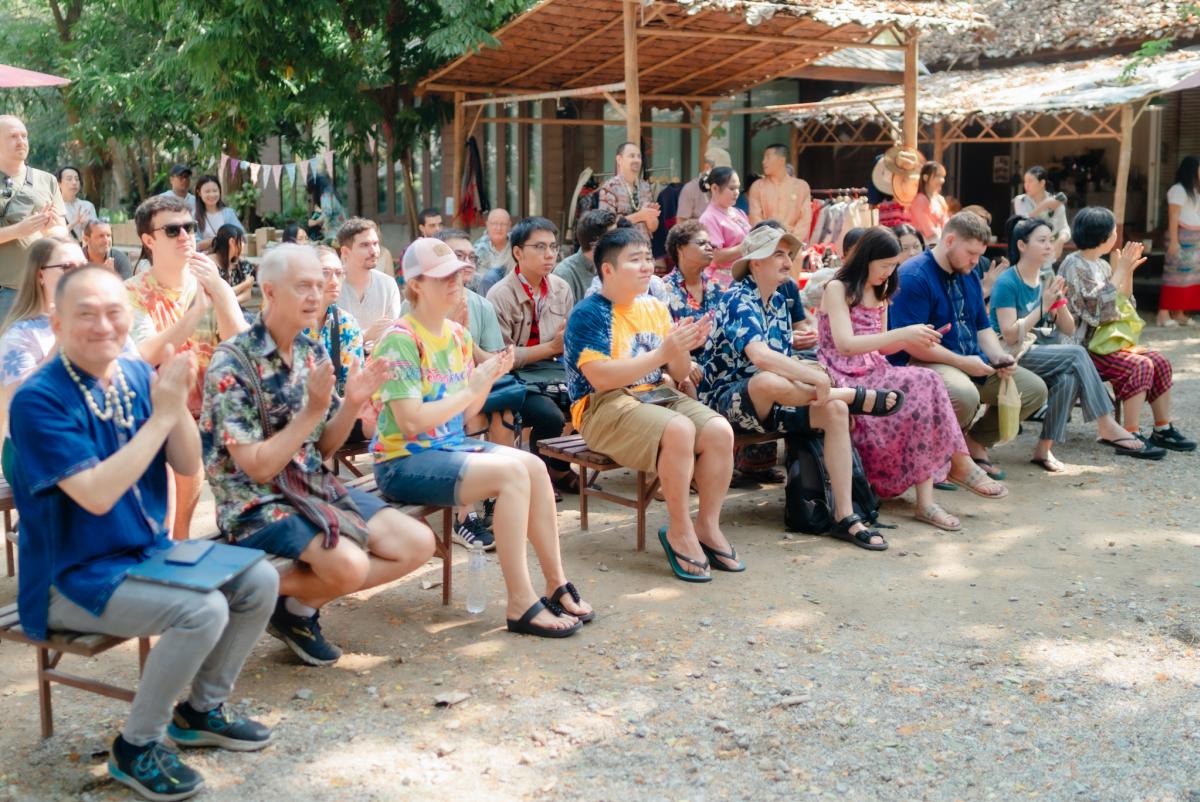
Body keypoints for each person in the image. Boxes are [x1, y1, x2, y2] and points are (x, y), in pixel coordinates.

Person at [10, 266, 277, 801]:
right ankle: (136, 746)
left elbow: (186, 462)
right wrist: (161, 416)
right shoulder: (38, 399)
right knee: (203, 610)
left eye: (114, 312)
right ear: (58, 323)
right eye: (86, 314)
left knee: (260, 580)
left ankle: (200, 711)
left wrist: (174, 407)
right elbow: (96, 495)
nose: (103, 325)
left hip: (144, 554)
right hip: (69, 580)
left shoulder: (133, 374)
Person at [203, 244, 434, 665]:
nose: (316, 294)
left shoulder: (311, 353)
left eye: (319, 284)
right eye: (303, 286)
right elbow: (258, 469)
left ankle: (293, 607)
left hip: (311, 485)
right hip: (255, 502)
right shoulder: (232, 363)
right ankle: (247, 590)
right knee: (349, 565)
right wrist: (311, 412)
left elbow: (323, 448)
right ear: (269, 292)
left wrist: (351, 404)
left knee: (418, 543)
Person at [373, 238, 592, 636]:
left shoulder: (457, 336)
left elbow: (465, 414)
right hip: (403, 461)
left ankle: (555, 582)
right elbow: (410, 423)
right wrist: (473, 386)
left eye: (457, 274)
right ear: (416, 284)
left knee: (533, 466)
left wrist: (485, 379)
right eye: (443, 277)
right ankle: (520, 602)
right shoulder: (400, 339)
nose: (455, 282)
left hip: (448, 447)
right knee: (512, 474)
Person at [701, 226, 903, 549]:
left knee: (834, 411)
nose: (787, 261)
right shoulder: (737, 297)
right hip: (724, 406)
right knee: (768, 380)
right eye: (778, 254)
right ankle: (849, 395)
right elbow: (761, 356)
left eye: (788, 254)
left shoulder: (779, 300)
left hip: (774, 401)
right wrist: (815, 378)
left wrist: (813, 375)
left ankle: (845, 516)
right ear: (755, 262)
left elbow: (783, 357)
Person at [566, 227, 736, 580]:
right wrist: (662, 352)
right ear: (608, 269)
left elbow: (679, 372)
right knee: (679, 429)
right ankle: (679, 530)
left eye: (647, 257)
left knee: (719, 430)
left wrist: (682, 347)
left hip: (655, 393)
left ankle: (707, 525)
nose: (647, 266)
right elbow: (600, 378)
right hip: (602, 405)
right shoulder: (589, 312)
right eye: (635, 260)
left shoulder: (655, 307)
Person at [818, 228, 974, 531]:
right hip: (841, 372)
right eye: (884, 266)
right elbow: (845, 345)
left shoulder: (882, 288)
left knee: (928, 380)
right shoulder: (837, 288)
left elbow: (882, 347)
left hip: (874, 369)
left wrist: (915, 337)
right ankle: (956, 467)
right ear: (866, 259)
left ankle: (929, 498)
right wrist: (902, 334)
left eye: (893, 266)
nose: (888, 273)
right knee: (922, 382)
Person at [887, 212, 1047, 493]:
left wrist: (998, 357)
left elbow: (982, 326)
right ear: (949, 241)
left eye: (979, 255)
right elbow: (911, 344)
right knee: (964, 394)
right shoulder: (913, 275)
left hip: (969, 360)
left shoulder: (968, 273)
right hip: (921, 363)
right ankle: (936, 461)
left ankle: (972, 443)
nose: (976, 261)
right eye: (971, 253)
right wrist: (964, 363)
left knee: (1033, 390)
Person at [991, 216, 1164, 467]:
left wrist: (1059, 304)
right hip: (1007, 353)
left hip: (1034, 349)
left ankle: (1043, 449)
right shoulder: (1008, 281)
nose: (1049, 246)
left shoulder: (1045, 278)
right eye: (1042, 240)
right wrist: (1044, 306)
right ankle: (1106, 424)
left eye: (1051, 240)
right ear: (1022, 245)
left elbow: (1068, 327)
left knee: (1068, 378)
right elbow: (1009, 335)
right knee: (1076, 354)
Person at [126, 194, 249, 540]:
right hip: (155, 413)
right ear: (148, 240)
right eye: (172, 230)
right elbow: (146, 353)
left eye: (190, 227)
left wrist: (220, 290)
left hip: (215, 411)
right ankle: (174, 539)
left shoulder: (211, 283)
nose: (185, 236)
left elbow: (244, 347)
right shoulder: (132, 292)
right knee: (176, 436)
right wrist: (196, 313)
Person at [1059, 207, 1195, 453]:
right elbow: (1096, 311)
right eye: (1113, 231)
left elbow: (1123, 304)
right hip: (1081, 348)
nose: (1116, 236)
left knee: (1159, 361)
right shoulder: (1073, 265)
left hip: (1104, 343)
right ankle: (1130, 434)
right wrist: (1120, 270)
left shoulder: (1101, 265)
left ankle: (1162, 428)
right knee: (1140, 365)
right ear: (1103, 236)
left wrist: (1128, 272)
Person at [486, 217, 579, 494]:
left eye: (553, 246)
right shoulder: (499, 295)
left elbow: (568, 341)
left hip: (553, 372)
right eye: (539, 247)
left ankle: (559, 468)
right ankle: (541, 478)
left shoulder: (561, 288)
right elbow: (501, 357)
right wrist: (551, 348)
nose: (549, 254)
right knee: (549, 416)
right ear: (518, 252)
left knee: (594, 398)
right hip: (514, 378)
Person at [0, 237, 87, 482]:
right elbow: (22, 400)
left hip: (84, 435)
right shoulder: (19, 335)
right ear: (40, 275)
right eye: (67, 267)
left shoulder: (98, 322)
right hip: (32, 446)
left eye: (84, 266)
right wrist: (61, 340)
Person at [0, 115, 68, 323]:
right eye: (13, 136)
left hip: (41, 287)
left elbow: (62, 232)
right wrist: (17, 231)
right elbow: (19, 231)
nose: (21, 141)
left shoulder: (47, 180)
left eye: (24, 135)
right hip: (4, 290)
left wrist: (51, 229)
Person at [336, 217, 400, 351]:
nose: (374, 251)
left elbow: (393, 334)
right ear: (345, 252)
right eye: (365, 245)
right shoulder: (332, 286)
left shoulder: (388, 285)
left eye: (375, 244)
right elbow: (326, 339)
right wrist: (365, 336)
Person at [1157, 155, 1200, 326]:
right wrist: (1174, 241)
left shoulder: (1194, 190)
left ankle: (1179, 313)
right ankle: (1163, 315)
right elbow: (1173, 216)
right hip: (1180, 237)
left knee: (1188, 277)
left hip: (1194, 241)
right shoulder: (1178, 190)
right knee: (1173, 276)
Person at [699, 166, 753, 288]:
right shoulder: (708, 218)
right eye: (732, 188)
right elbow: (715, 257)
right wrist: (747, 246)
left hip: (743, 277)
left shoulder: (738, 212)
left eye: (738, 188)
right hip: (723, 283)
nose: (737, 192)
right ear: (714, 188)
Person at [747, 144, 813, 245]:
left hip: (793, 245)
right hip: (766, 245)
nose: (763, 161)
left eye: (768, 157)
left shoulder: (801, 187)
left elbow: (805, 219)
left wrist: (791, 241)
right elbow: (755, 218)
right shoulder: (757, 186)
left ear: (781, 160)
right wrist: (771, 241)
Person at [553, 208, 617, 306]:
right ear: (596, 244)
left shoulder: (615, 265)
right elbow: (563, 314)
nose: (619, 241)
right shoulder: (564, 274)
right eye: (614, 237)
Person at [597, 142, 660, 238]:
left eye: (639, 156)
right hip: (621, 246)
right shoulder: (610, 187)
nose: (637, 160)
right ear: (619, 159)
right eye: (632, 156)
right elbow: (606, 228)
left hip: (644, 245)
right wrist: (640, 215)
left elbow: (653, 228)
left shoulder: (645, 186)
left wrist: (650, 216)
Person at [1012, 166, 1070, 265]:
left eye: (1030, 181)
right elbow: (1023, 223)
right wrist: (1045, 205)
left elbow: (1065, 228)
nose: (1026, 185)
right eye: (1025, 181)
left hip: (1049, 256)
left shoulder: (1056, 202)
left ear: (1042, 183)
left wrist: (1060, 241)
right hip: (1027, 256)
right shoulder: (1020, 201)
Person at [676, 146, 731, 225]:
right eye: (720, 172)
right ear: (707, 167)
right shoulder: (690, 189)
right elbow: (681, 223)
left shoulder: (727, 189)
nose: (724, 176)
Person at [194, 174, 244, 252]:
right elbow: (194, 244)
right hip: (206, 258)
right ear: (199, 193)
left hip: (228, 256)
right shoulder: (194, 216)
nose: (212, 195)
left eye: (215, 191)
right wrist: (217, 239)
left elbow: (242, 236)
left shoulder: (229, 213)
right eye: (207, 191)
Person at [211, 224, 255, 306]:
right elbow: (219, 294)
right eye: (241, 241)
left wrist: (228, 304)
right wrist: (245, 284)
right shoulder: (209, 263)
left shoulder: (243, 264)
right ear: (232, 242)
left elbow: (247, 295)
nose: (243, 245)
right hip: (215, 312)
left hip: (234, 309)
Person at [910, 161, 949, 244]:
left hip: (939, 240)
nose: (942, 180)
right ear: (925, 177)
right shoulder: (919, 200)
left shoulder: (940, 199)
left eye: (943, 176)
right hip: (923, 243)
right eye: (938, 176)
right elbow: (928, 230)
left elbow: (946, 223)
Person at [474, 207, 515, 282]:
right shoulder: (478, 248)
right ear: (487, 225)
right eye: (494, 223)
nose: (499, 228)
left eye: (503, 224)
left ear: (509, 225)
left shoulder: (516, 245)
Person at [56, 165, 97, 241]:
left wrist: (86, 226)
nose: (74, 182)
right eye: (69, 179)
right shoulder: (54, 208)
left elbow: (96, 234)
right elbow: (53, 237)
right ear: (59, 184)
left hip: (82, 247)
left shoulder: (87, 206)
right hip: (62, 247)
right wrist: (74, 222)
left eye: (77, 179)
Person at [306, 173, 346, 241]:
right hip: (340, 229)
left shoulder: (325, 194)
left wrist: (314, 222)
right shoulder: (330, 192)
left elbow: (327, 213)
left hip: (335, 231)